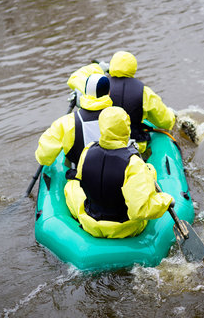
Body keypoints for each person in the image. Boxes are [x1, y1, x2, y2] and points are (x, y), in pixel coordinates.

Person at [65, 106, 174, 239]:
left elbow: (84, 181)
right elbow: (139, 210)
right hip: (125, 228)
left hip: (91, 223)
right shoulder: (134, 163)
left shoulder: (87, 150)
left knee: (71, 186)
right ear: (126, 128)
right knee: (150, 169)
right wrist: (166, 200)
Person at [35, 73, 112, 168]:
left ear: (85, 92)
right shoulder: (120, 116)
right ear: (109, 93)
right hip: (115, 177)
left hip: (81, 179)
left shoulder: (66, 122)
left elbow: (43, 156)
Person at [108, 51, 176, 153]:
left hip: (105, 143)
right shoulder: (144, 91)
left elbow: (76, 79)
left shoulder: (100, 86)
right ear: (133, 67)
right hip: (135, 145)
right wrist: (172, 115)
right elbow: (165, 122)